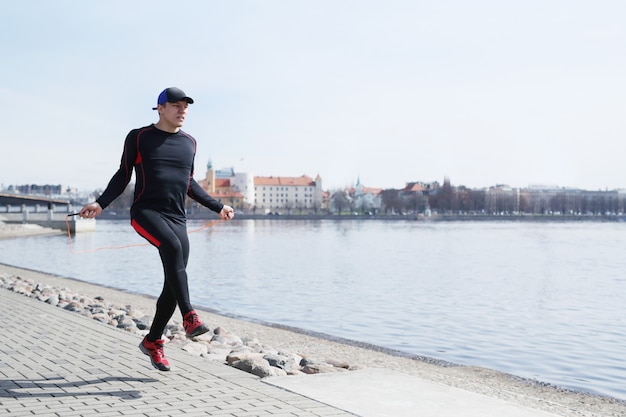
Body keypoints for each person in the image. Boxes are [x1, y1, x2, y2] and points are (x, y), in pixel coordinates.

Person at [79, 87, 234, 371]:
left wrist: (217, 206)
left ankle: (153, 341)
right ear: (160, 108)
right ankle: (190, 316)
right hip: (146, 213)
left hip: (177, 218)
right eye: (176, 105)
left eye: (185, 107)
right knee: (173, 249)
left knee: (174, 283)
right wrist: (101, 203)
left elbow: (190, 184)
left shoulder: (190, 143)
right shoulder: (139, 137)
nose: (182, 111)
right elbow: (123, 174)